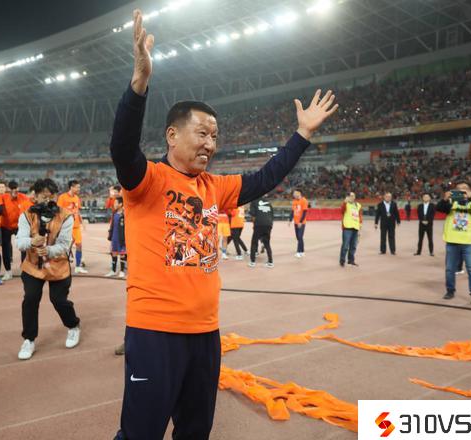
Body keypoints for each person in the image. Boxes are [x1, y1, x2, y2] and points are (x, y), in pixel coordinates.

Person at [110, 10, 338, 439]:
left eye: (215, 136)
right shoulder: (147, 181)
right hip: (154, 330)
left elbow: (266, 178)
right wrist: (139, 84)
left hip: (206, 333)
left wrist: (302, 135)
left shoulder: (215, 187)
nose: (210, 144)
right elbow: (122, 146)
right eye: (202, 134)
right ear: (172, 136)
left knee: (196, 431)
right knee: (140, 433)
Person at [16, 178, 81, 360]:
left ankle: (73, 326)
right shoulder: (26, 215)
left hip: (57, 266)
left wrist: (49, 250)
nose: (47, 200)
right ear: (35, 196)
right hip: (32, 266)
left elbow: (65, 245)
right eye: (43, 196)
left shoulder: (66, 216)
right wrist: (32, 241)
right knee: (30, 299)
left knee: (58, 300)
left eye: (51, 196)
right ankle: (29, 339)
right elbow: (19, 242)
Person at [436, 181, 471, 306]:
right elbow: (439, 208)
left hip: (469, 242)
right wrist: (445, 199)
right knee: (449, 269)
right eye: (459, 190)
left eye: (464, 189)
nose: (462, 192)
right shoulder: (451, 203)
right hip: (452, 241)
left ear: (469, 191)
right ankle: (450, 290)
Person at [0, 181, 30, 281]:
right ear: (8, 189)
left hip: (19, 227)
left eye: (16, 189)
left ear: (18, 188)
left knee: (24, 247)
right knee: (5, 249)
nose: (14, 191)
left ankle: (25, 270)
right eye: (12, 189)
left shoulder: (23, 197)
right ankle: (8, 271)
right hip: (5, 226)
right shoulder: (3, 197)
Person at [57, 180, 88, 274]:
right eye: (77, 187)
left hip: (76, 226)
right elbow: (58, 212)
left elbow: (77, 211)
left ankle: (78, 267)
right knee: (66, 247)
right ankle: (62, 267)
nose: (79, 189)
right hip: (66, 227)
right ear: (71, 187)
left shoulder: (77, 198)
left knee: (79, 245)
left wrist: (82, 221)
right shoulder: (62, 197)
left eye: (79, 187)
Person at [249, 197, 274, 268]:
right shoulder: (268, 202)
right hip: (268, 224)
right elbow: (272, 214)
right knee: (267, 243)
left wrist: (254, 224)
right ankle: (270, 262)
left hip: (259, 224)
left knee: (254, 242)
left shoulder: (254, 201)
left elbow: (253, 215)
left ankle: (252, 262)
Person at [106, 196, 127, 278]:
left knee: (122, 254)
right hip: (114, 238)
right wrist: (110, 236)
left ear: (121, 204)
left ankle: (122, 271)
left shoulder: (124, 215)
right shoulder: (114, 214)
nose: (114, 204)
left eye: (115, 203)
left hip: (122, 238)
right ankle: (113, 271)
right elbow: (112, 226)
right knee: (114, 253)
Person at [340, 192, 362, 267]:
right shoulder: (345, 204)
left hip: (356, 227)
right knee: (345, 245)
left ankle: (351, 260)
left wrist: (360, 226)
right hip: (347, 227)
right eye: (350, 196)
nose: (352, 197)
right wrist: (344, 202)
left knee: (354, 246)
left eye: (353, 196)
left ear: (355, 197)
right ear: (348, 197)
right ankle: (342, 260)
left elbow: (360, 216)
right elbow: (342, 211)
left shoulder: (358, 205)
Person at [290, 189, 308, 258]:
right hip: (295, 222)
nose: (294, 194)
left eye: (295, 193)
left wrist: (300, 222)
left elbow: (304, 212)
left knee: (300, 237)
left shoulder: (304, 200)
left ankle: (298, 252)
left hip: (301, 223)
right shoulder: (294, 201)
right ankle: (302, 251)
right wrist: (290, 220)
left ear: (299, 193)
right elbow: (292, 211)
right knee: (298, 237)